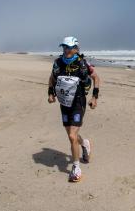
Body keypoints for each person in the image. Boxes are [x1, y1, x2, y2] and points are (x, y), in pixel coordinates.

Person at [47, 36, 100, 182]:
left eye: (69, 47)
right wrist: (50, 93)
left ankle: (76, 168)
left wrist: (94, 97)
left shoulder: (83, 63)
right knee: (73, 137)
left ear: (76, 49)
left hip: (78, 102)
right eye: (64, 47)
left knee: (71, 136)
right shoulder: (58, 63)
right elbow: (51, 78)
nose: (66, 50)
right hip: (64, 103)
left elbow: (96, 78)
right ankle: (85, 144)